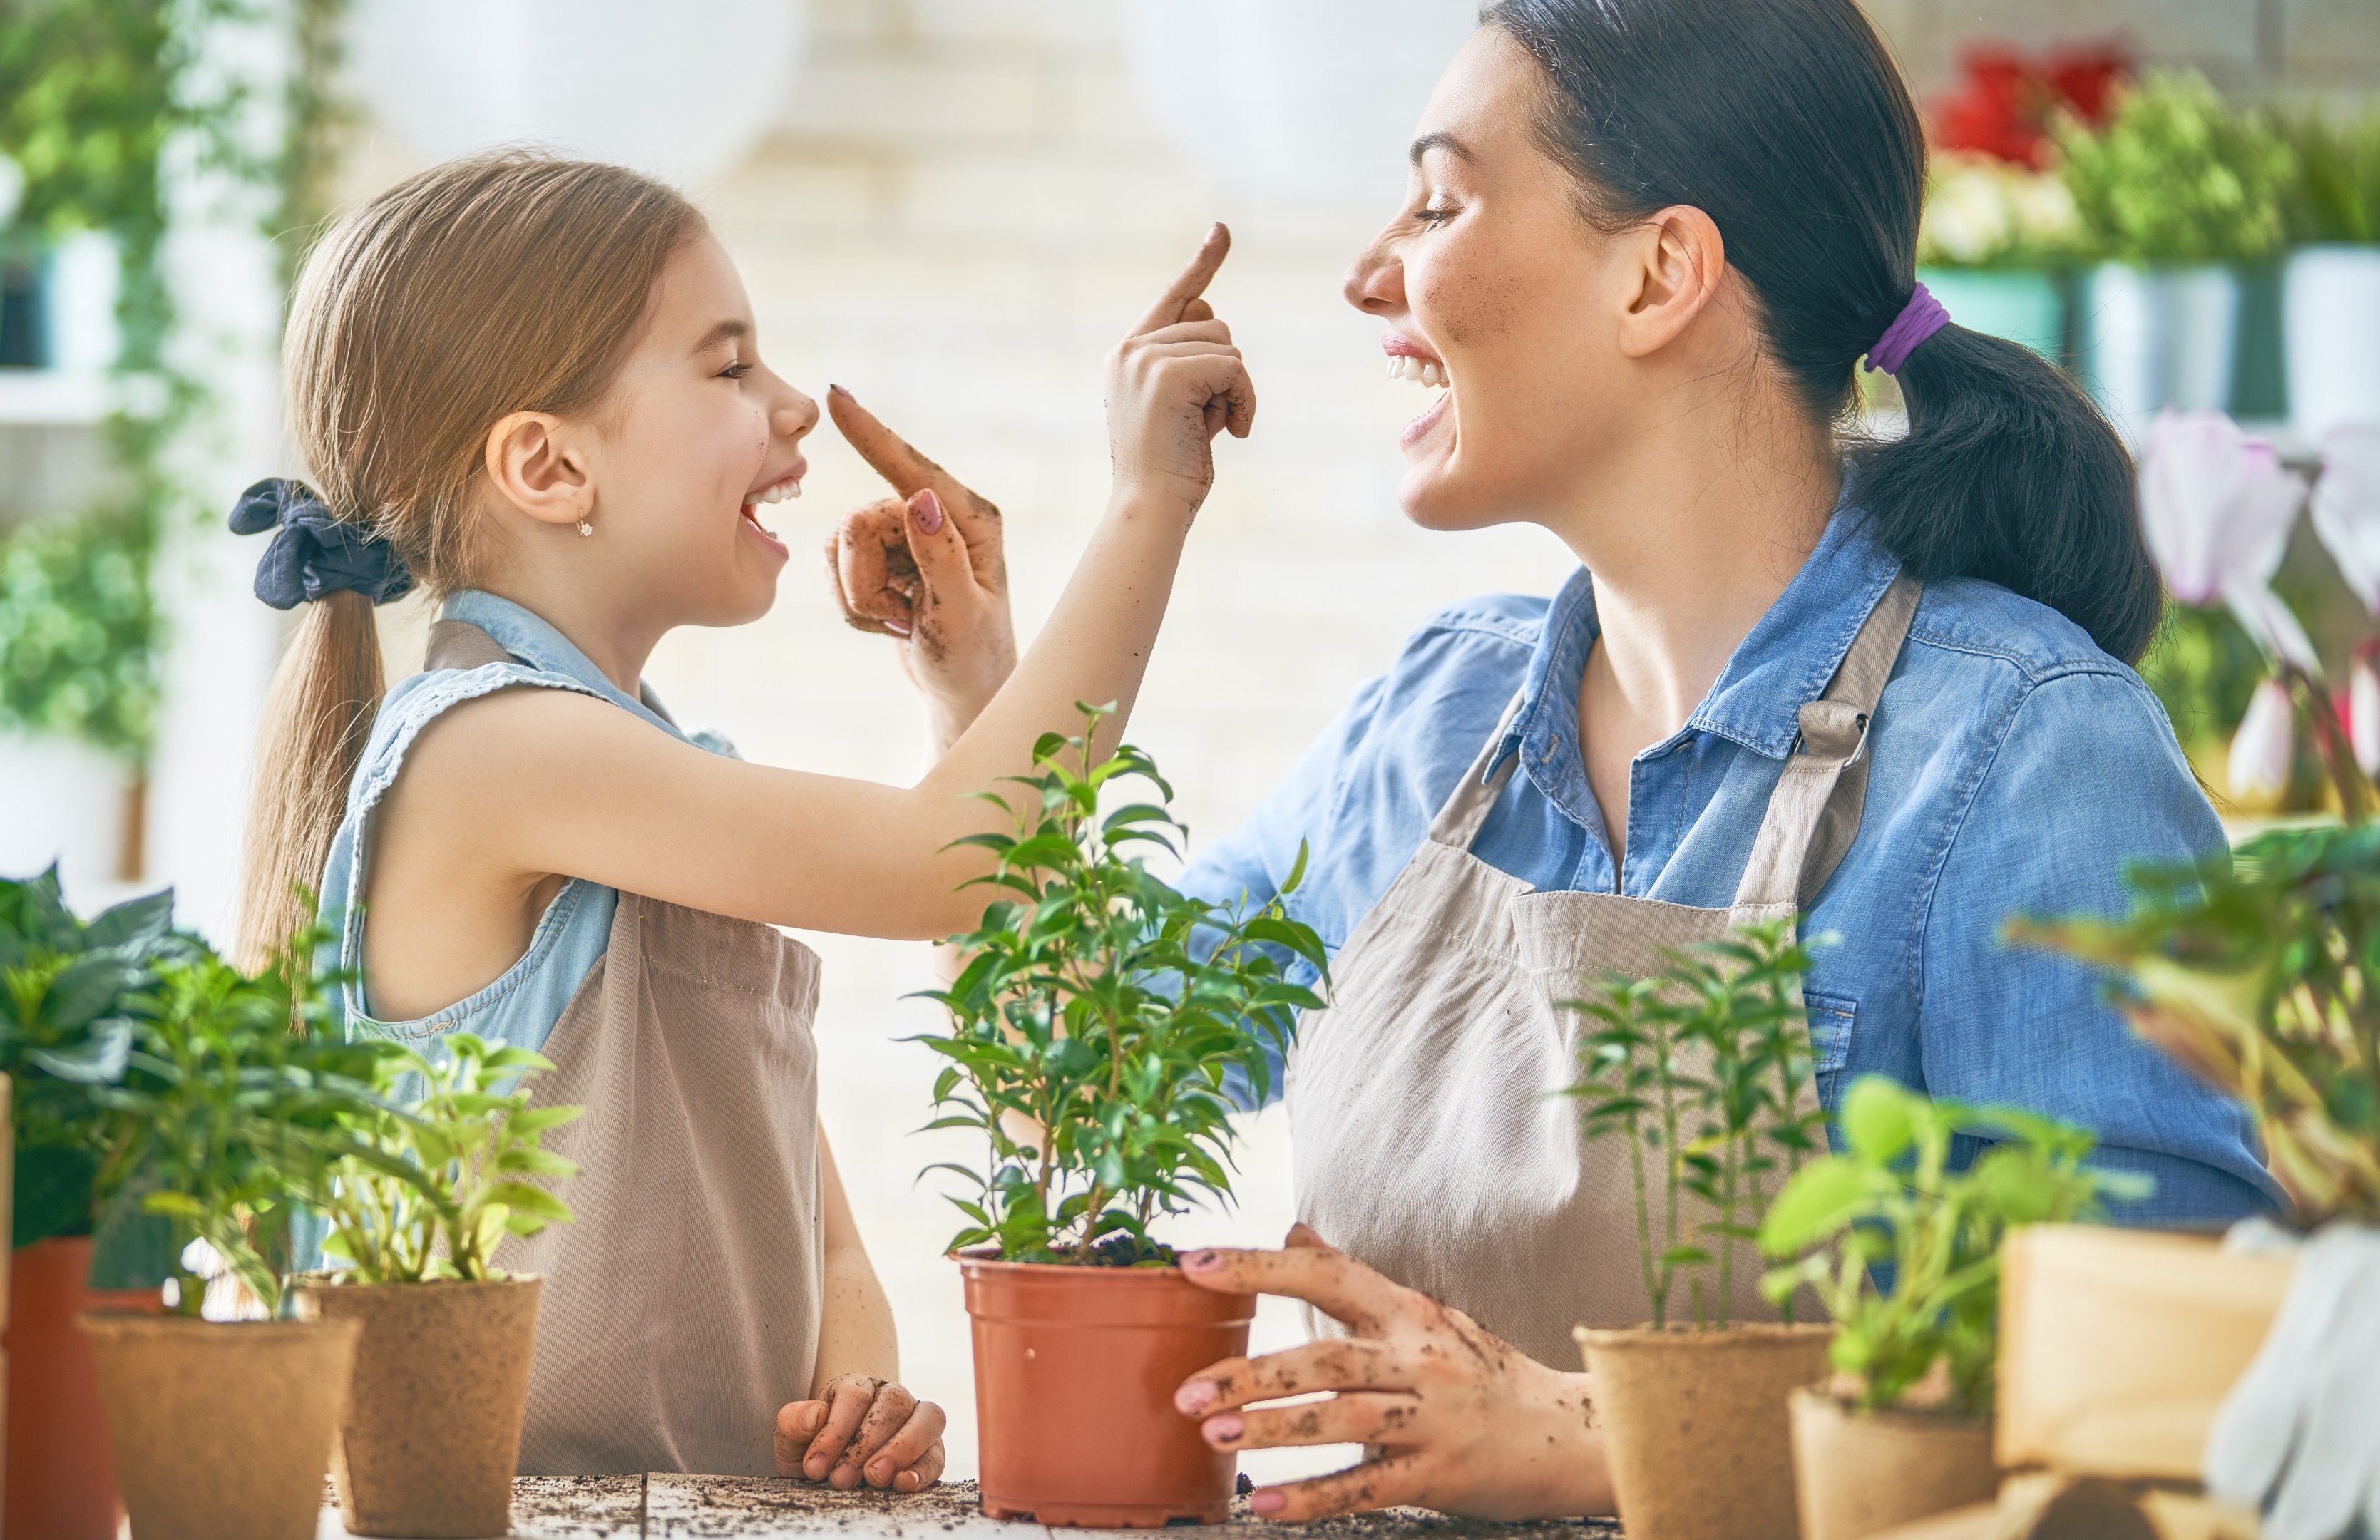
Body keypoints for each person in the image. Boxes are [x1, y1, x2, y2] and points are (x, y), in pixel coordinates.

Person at [827, 0, 2281, 1520]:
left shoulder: (2021, 745)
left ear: (1660, 274)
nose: (1368, 273)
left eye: (1442, 200)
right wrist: (978, 689)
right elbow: (1088, 1067)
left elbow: (2168, 1389)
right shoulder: (1438, 721)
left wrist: (1592, 1435)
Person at [234, 150, 1253, 1487]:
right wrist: (1150, 498)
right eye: (728, 369)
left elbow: (820, 1248)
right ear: (547, 465)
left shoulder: (647, 779)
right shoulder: (490, 749)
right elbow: (952, 866)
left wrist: (861, 1389)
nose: (792, 410)